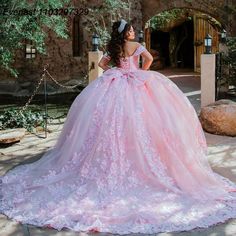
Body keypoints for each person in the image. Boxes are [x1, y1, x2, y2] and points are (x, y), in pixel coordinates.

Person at [0, 19, 236, 235]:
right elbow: (150, 60)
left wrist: (119, 72)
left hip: (115, 84)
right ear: (127, 33)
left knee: (110, 123)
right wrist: (139, 73)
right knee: (143, 122)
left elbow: (102, 64)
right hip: (134, 83)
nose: (133, 31)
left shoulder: (114, 48)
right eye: (131, 29)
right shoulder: (136, 45)